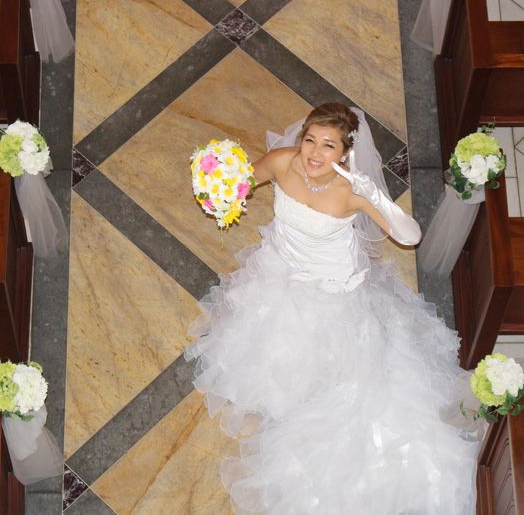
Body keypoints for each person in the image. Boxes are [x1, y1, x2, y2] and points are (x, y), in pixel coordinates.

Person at [185, 103, 482, 514]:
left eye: (329, 145)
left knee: (344, 380)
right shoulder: (283, 161)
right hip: (281, 271)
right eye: (310, 140)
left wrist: (372, 194)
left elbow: (409, 236)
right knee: (269, 346)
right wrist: (217, 181)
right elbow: (243, 181)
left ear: (345, 153)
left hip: (332, 289)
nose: (315, 152)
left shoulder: (350, 191)